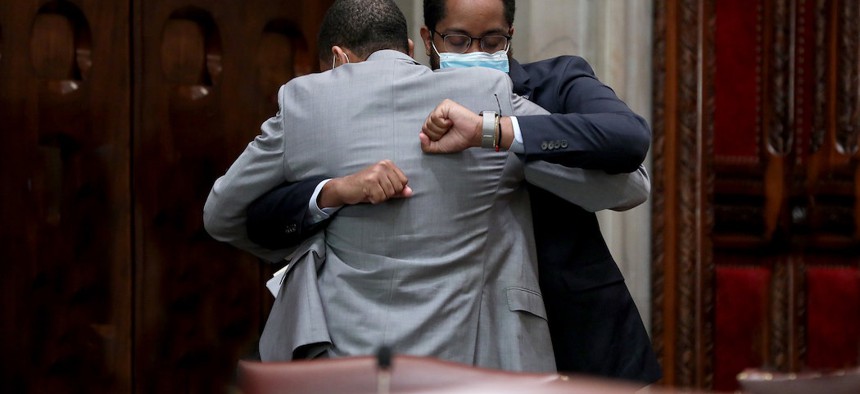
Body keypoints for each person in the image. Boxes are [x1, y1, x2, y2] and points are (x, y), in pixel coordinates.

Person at [203, 0, 648, 372]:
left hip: (344, 354)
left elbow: (223, 213)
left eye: (492, 41)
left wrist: (495, 132)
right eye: (458, 40)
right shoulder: (488, 94)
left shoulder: (303, 101)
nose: (475, 51)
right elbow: (628, 187)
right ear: (420, 43)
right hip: (479, 354)